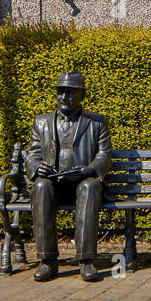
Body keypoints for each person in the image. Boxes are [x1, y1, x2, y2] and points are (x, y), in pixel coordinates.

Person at [26, 71, 111, 281]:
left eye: (70, 93)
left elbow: (104, 155)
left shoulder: (97, 122)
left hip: (83, 182)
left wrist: (91, 169)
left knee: (90, 187)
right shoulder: (42, 122)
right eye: (60, 92)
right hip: (53, 184)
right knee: (40, 186)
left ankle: (86, 261)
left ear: (82, 95)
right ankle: (47, 261)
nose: (64, 97)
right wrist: (37, 167)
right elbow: (32, 153)